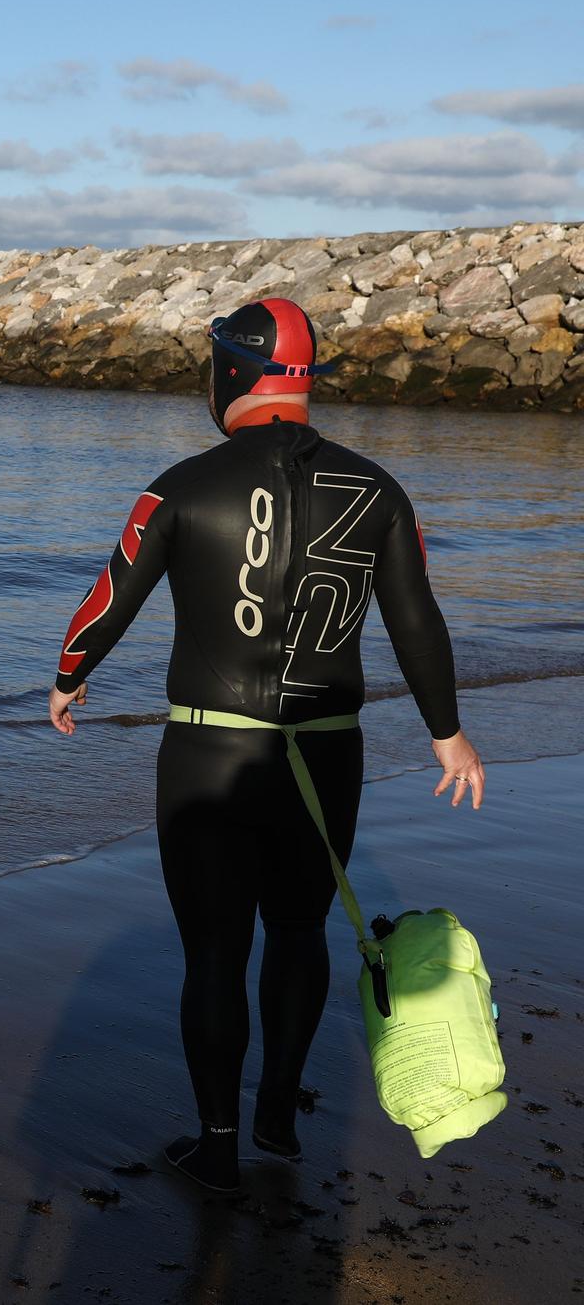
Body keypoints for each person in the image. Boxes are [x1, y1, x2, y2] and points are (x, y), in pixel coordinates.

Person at [46, 297, 486, 1193]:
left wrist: (68, 673)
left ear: (230, 373)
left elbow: (108, 597)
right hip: (327, 752)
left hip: (210, 752)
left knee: (215, 951)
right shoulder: (378, 491)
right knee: (297, 929)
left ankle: (216, 1141)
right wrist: (449, 734)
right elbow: (418, 622)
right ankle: (277, 1114)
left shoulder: (181, 485)